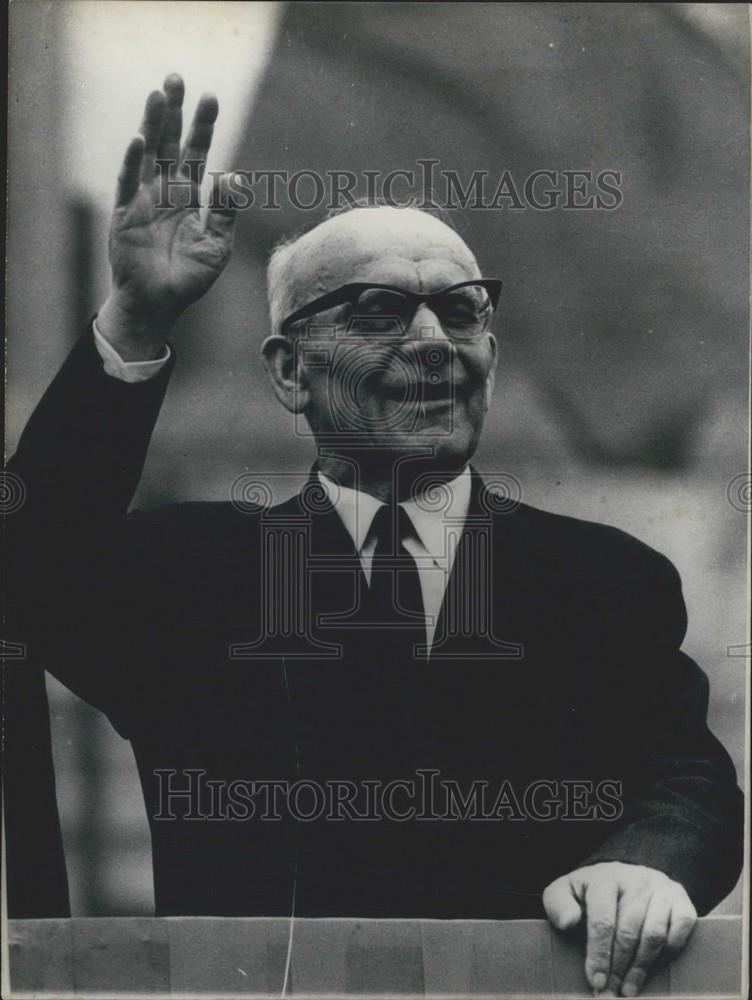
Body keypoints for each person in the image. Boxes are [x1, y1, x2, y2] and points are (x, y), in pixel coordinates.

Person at [7, 74, 743, 999]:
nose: (434, 339)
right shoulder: (192, 580)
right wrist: (138, 318)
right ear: (290, 372)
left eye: (463, 308)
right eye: (380, 313)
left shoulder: (600, 581)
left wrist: (644, 866)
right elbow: (29, 569)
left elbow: (685, 783)